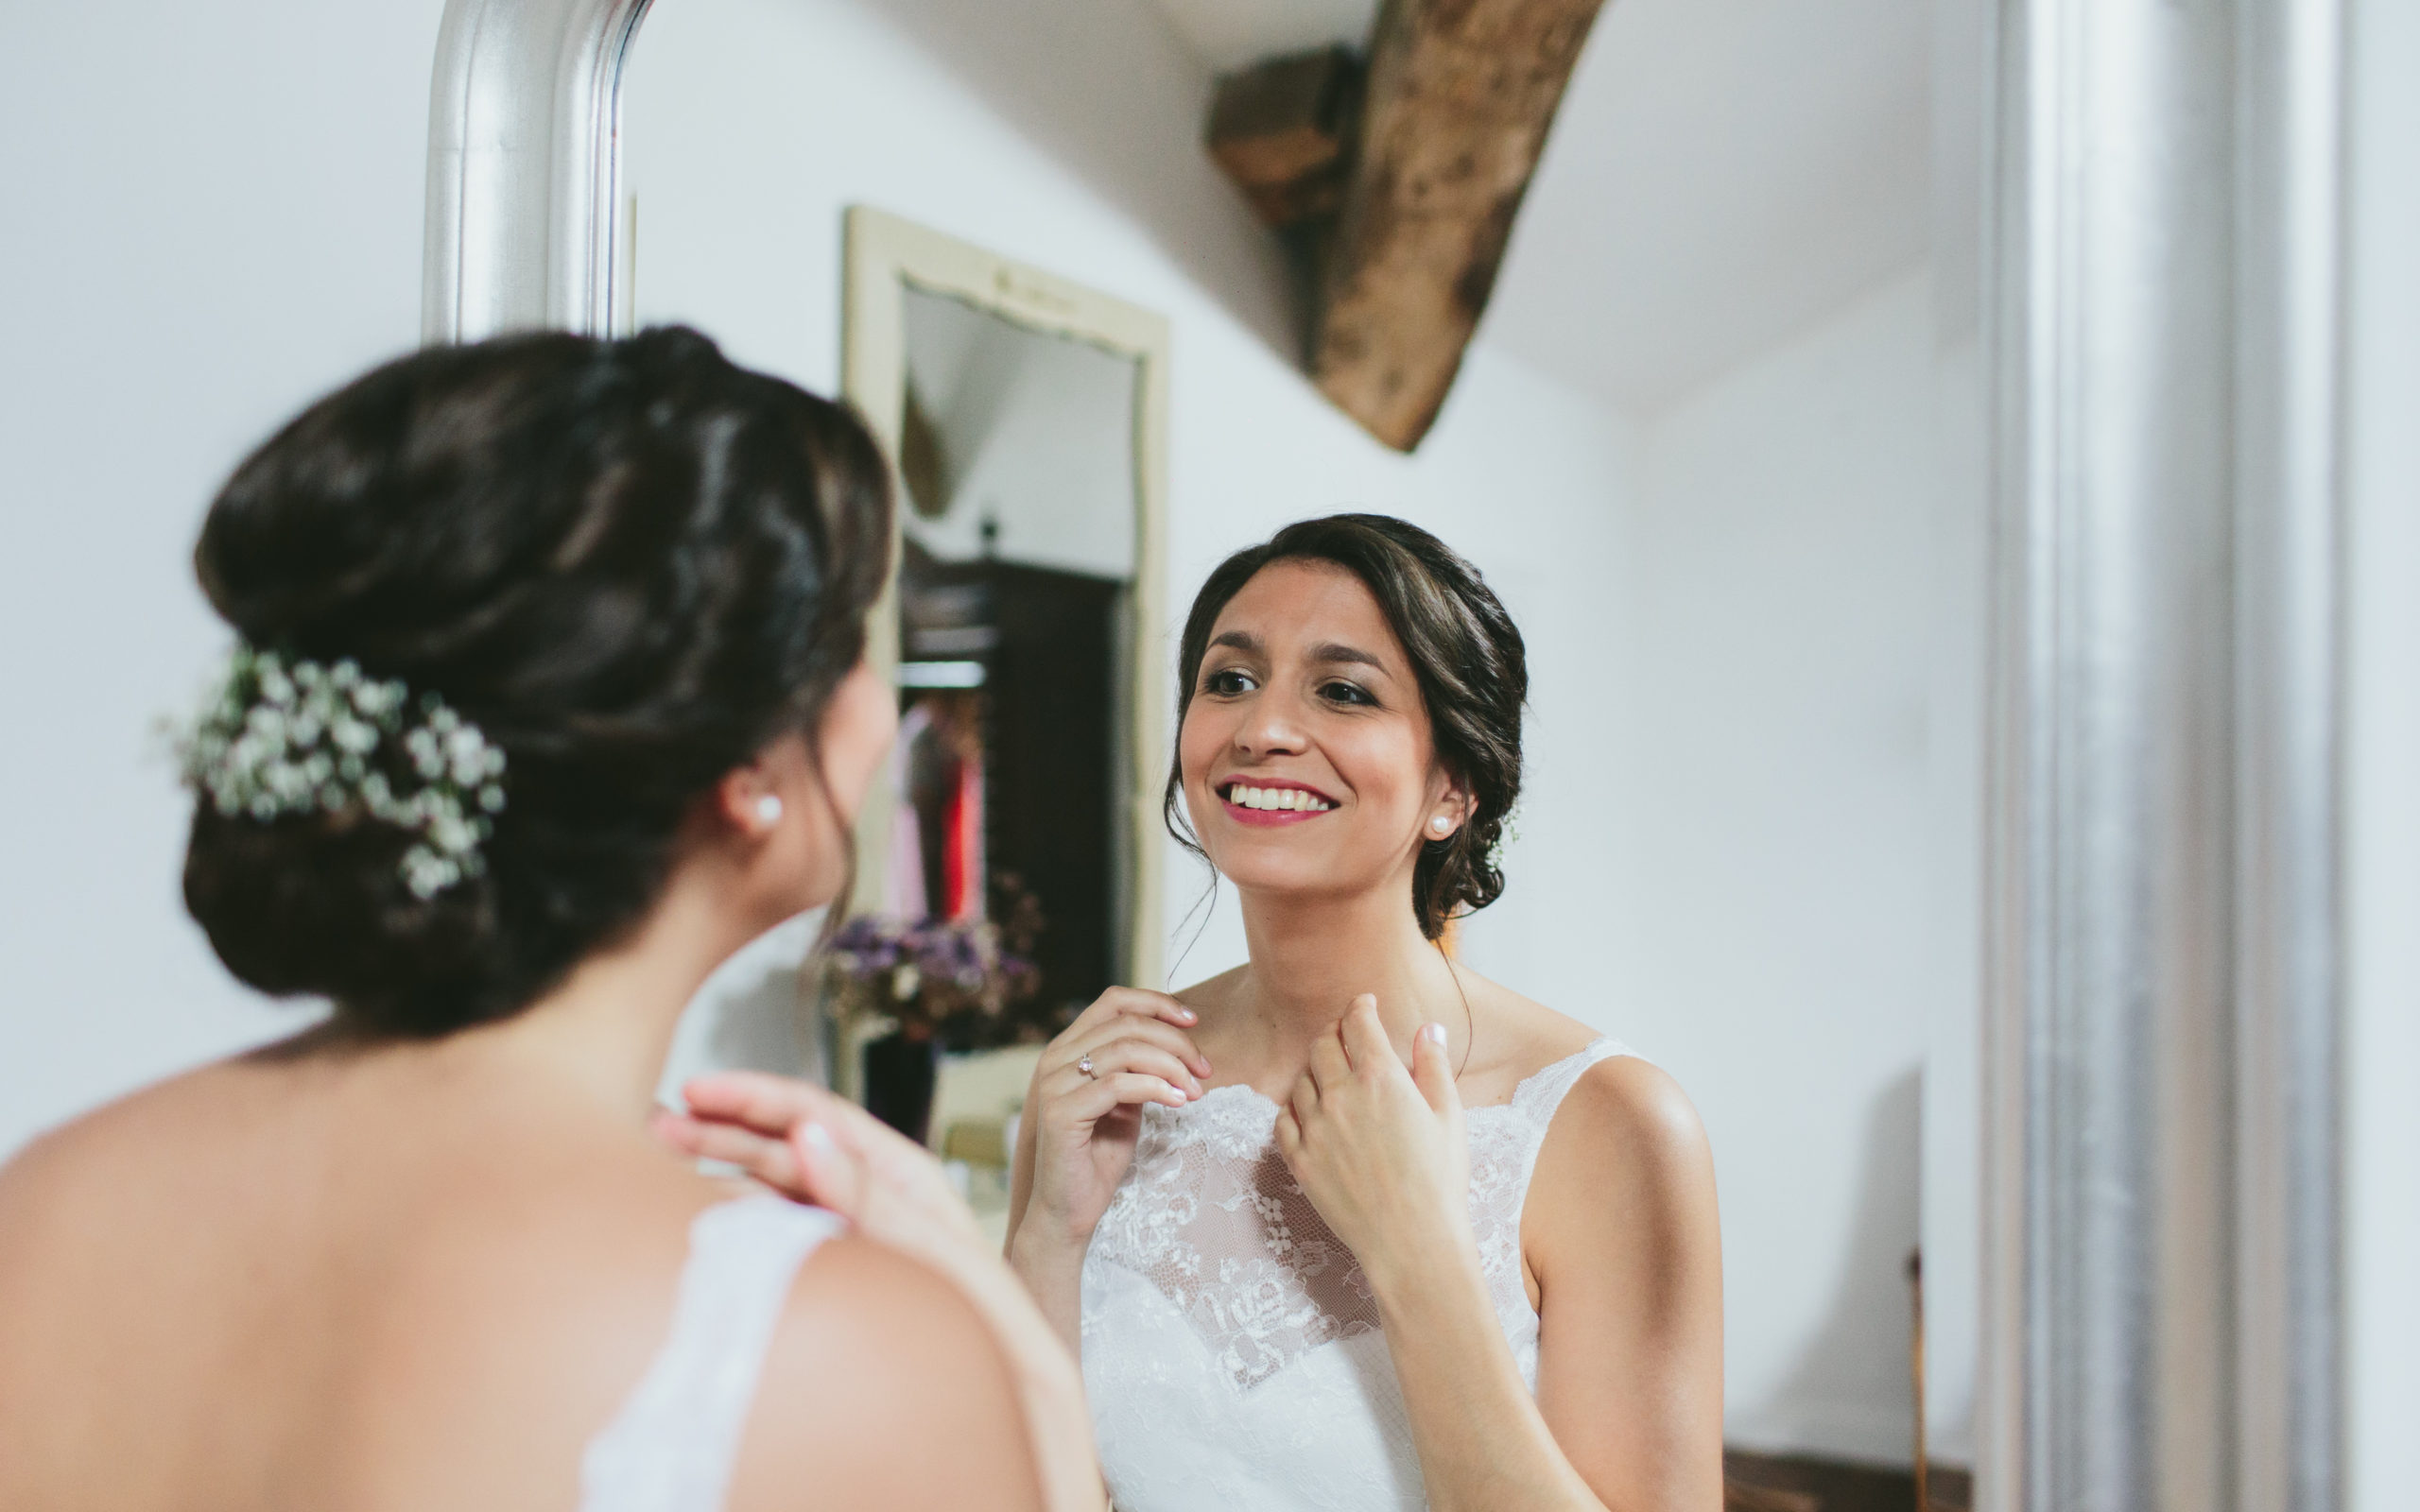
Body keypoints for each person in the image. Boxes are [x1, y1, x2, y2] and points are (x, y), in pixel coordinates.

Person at [0, 328, 1100, 1512]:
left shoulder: (51, 1202)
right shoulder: (824, 1352)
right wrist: (1014, 1360)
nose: (879, 706)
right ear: (746, 768)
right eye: (850, 643)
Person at [1008, 516, 1726, 1510]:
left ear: (1453, 787)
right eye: (1228, 679)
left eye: (1342, 690)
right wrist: (1044, 1237)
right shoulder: (1109, 1082)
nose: (1260, 727)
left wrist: (1415, 1251)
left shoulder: (1611, 1125)